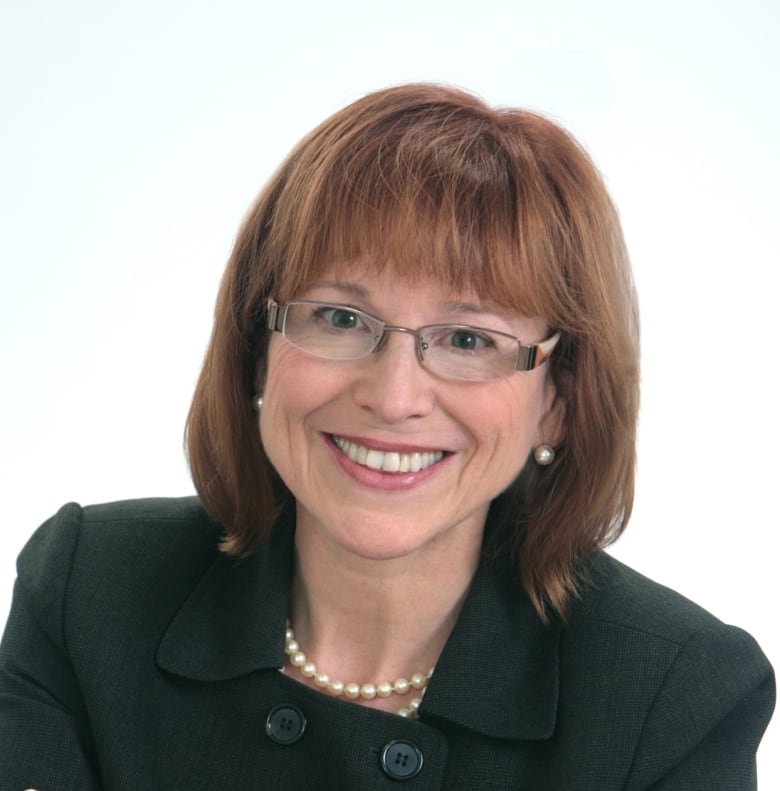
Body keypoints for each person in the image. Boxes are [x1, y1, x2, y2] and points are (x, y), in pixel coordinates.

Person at [0, 83, 774, 790]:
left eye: (469, 339)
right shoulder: (89, 591)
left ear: (559, 399)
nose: (394, 397)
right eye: (339, 318)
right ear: (257, 347)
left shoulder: (672, 695)